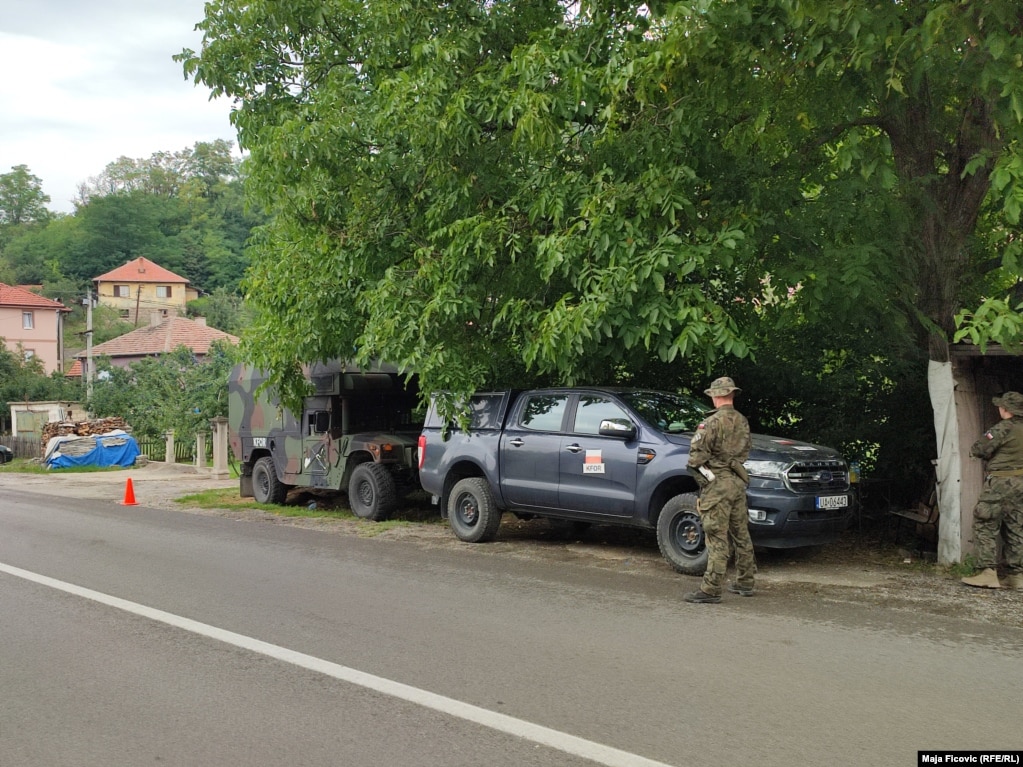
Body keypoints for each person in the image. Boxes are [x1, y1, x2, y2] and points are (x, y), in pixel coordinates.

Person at [684, 376, 757, 603]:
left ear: (715, 396)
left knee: (716, 536)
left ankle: (711, 589)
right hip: (737, 481)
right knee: (741, 533)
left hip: (717, 484)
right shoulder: (742, 421)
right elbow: (745, 451)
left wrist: (706, 481)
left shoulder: (711, 423)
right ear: (732, 395)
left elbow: (696, 459)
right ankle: (745, 581)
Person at [961, 391, 1023, 590]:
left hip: (1000, 482)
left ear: (1006, 409)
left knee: (985, 522)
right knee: (1015, 526)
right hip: (1020, 483)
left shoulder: (1003, 428)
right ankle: (1017, 576)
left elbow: (979, 448)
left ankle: (987, 572)